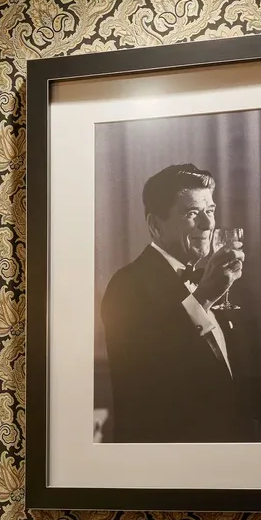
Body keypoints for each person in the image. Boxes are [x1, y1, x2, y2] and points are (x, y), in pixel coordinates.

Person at [99, 163, 246, 442]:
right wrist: (203, 297)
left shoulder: (210, 278)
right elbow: (155, 378)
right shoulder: (126, 286)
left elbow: (226, 378)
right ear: (155, 224)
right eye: (192, 213)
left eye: (210, 211)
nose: (208, 224)